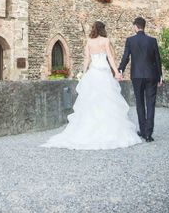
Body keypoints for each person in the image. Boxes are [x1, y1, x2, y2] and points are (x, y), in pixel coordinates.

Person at [41, 21, 142, 150]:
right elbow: (110, 57)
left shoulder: (89, 42)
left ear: (94, 29)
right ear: (103, 30)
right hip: (104, 74)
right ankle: (109, 130)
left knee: (91, 101)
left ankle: (87, 130)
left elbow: (86, 59)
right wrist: (116, 72)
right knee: (107, 101)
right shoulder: (106, 40)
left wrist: (83, 73)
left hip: (93, 73)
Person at [117, 17, 163, 142]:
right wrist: (160, 76)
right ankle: (148, 134)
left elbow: (126, 57)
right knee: (150, 103)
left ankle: (143, 131)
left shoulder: (130, 40)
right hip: (151, 75)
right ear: (144, 26)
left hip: (136, 76)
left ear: (135, 26)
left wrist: (120, 69)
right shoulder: (152, 40)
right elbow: (157, 59)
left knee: (140, 103)